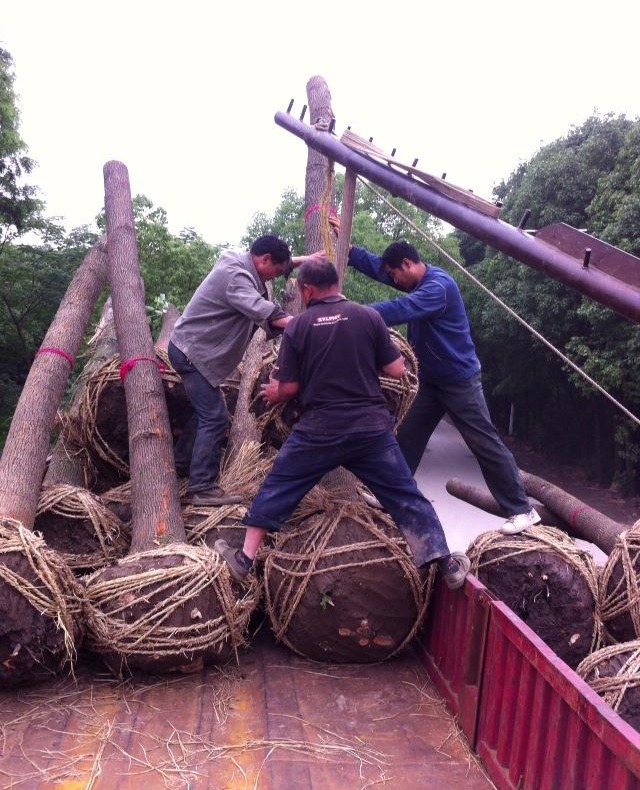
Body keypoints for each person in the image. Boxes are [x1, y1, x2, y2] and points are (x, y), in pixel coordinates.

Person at [214, 258, 470, 589]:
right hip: (370, 430)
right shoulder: (369, 316)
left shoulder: (300, 326)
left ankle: (244, 559)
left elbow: (288, 388)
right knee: (405, 494)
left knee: (279, 487)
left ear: (306, 289)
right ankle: (446, 563)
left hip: (318, 430)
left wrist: (277, 391)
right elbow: (396, 371)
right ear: (335, 283)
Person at [329, 217, 540, 536]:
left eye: (393, 275)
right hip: (432, 382)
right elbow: (378, 267)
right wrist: (349, 247)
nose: (392, 280)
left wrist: (351, 313)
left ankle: (522, 510)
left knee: (483, 441)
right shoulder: (415, 280)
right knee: (406, 436)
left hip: (459, 381)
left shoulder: (438, 288)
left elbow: (401, 308)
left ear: (406, 264)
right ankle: (392, 496)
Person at [169, 235, 306, 506]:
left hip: (194, 351)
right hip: (191, 353)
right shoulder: (236, 276)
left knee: (206, 412)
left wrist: (303, 261)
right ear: (263, 259)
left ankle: (181, 464)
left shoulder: (244, 265)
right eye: (276, 271)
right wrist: (308, 326)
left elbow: (269, 306)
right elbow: (263, 311)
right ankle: (202, 487)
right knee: (215, 418)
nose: (274, 278)